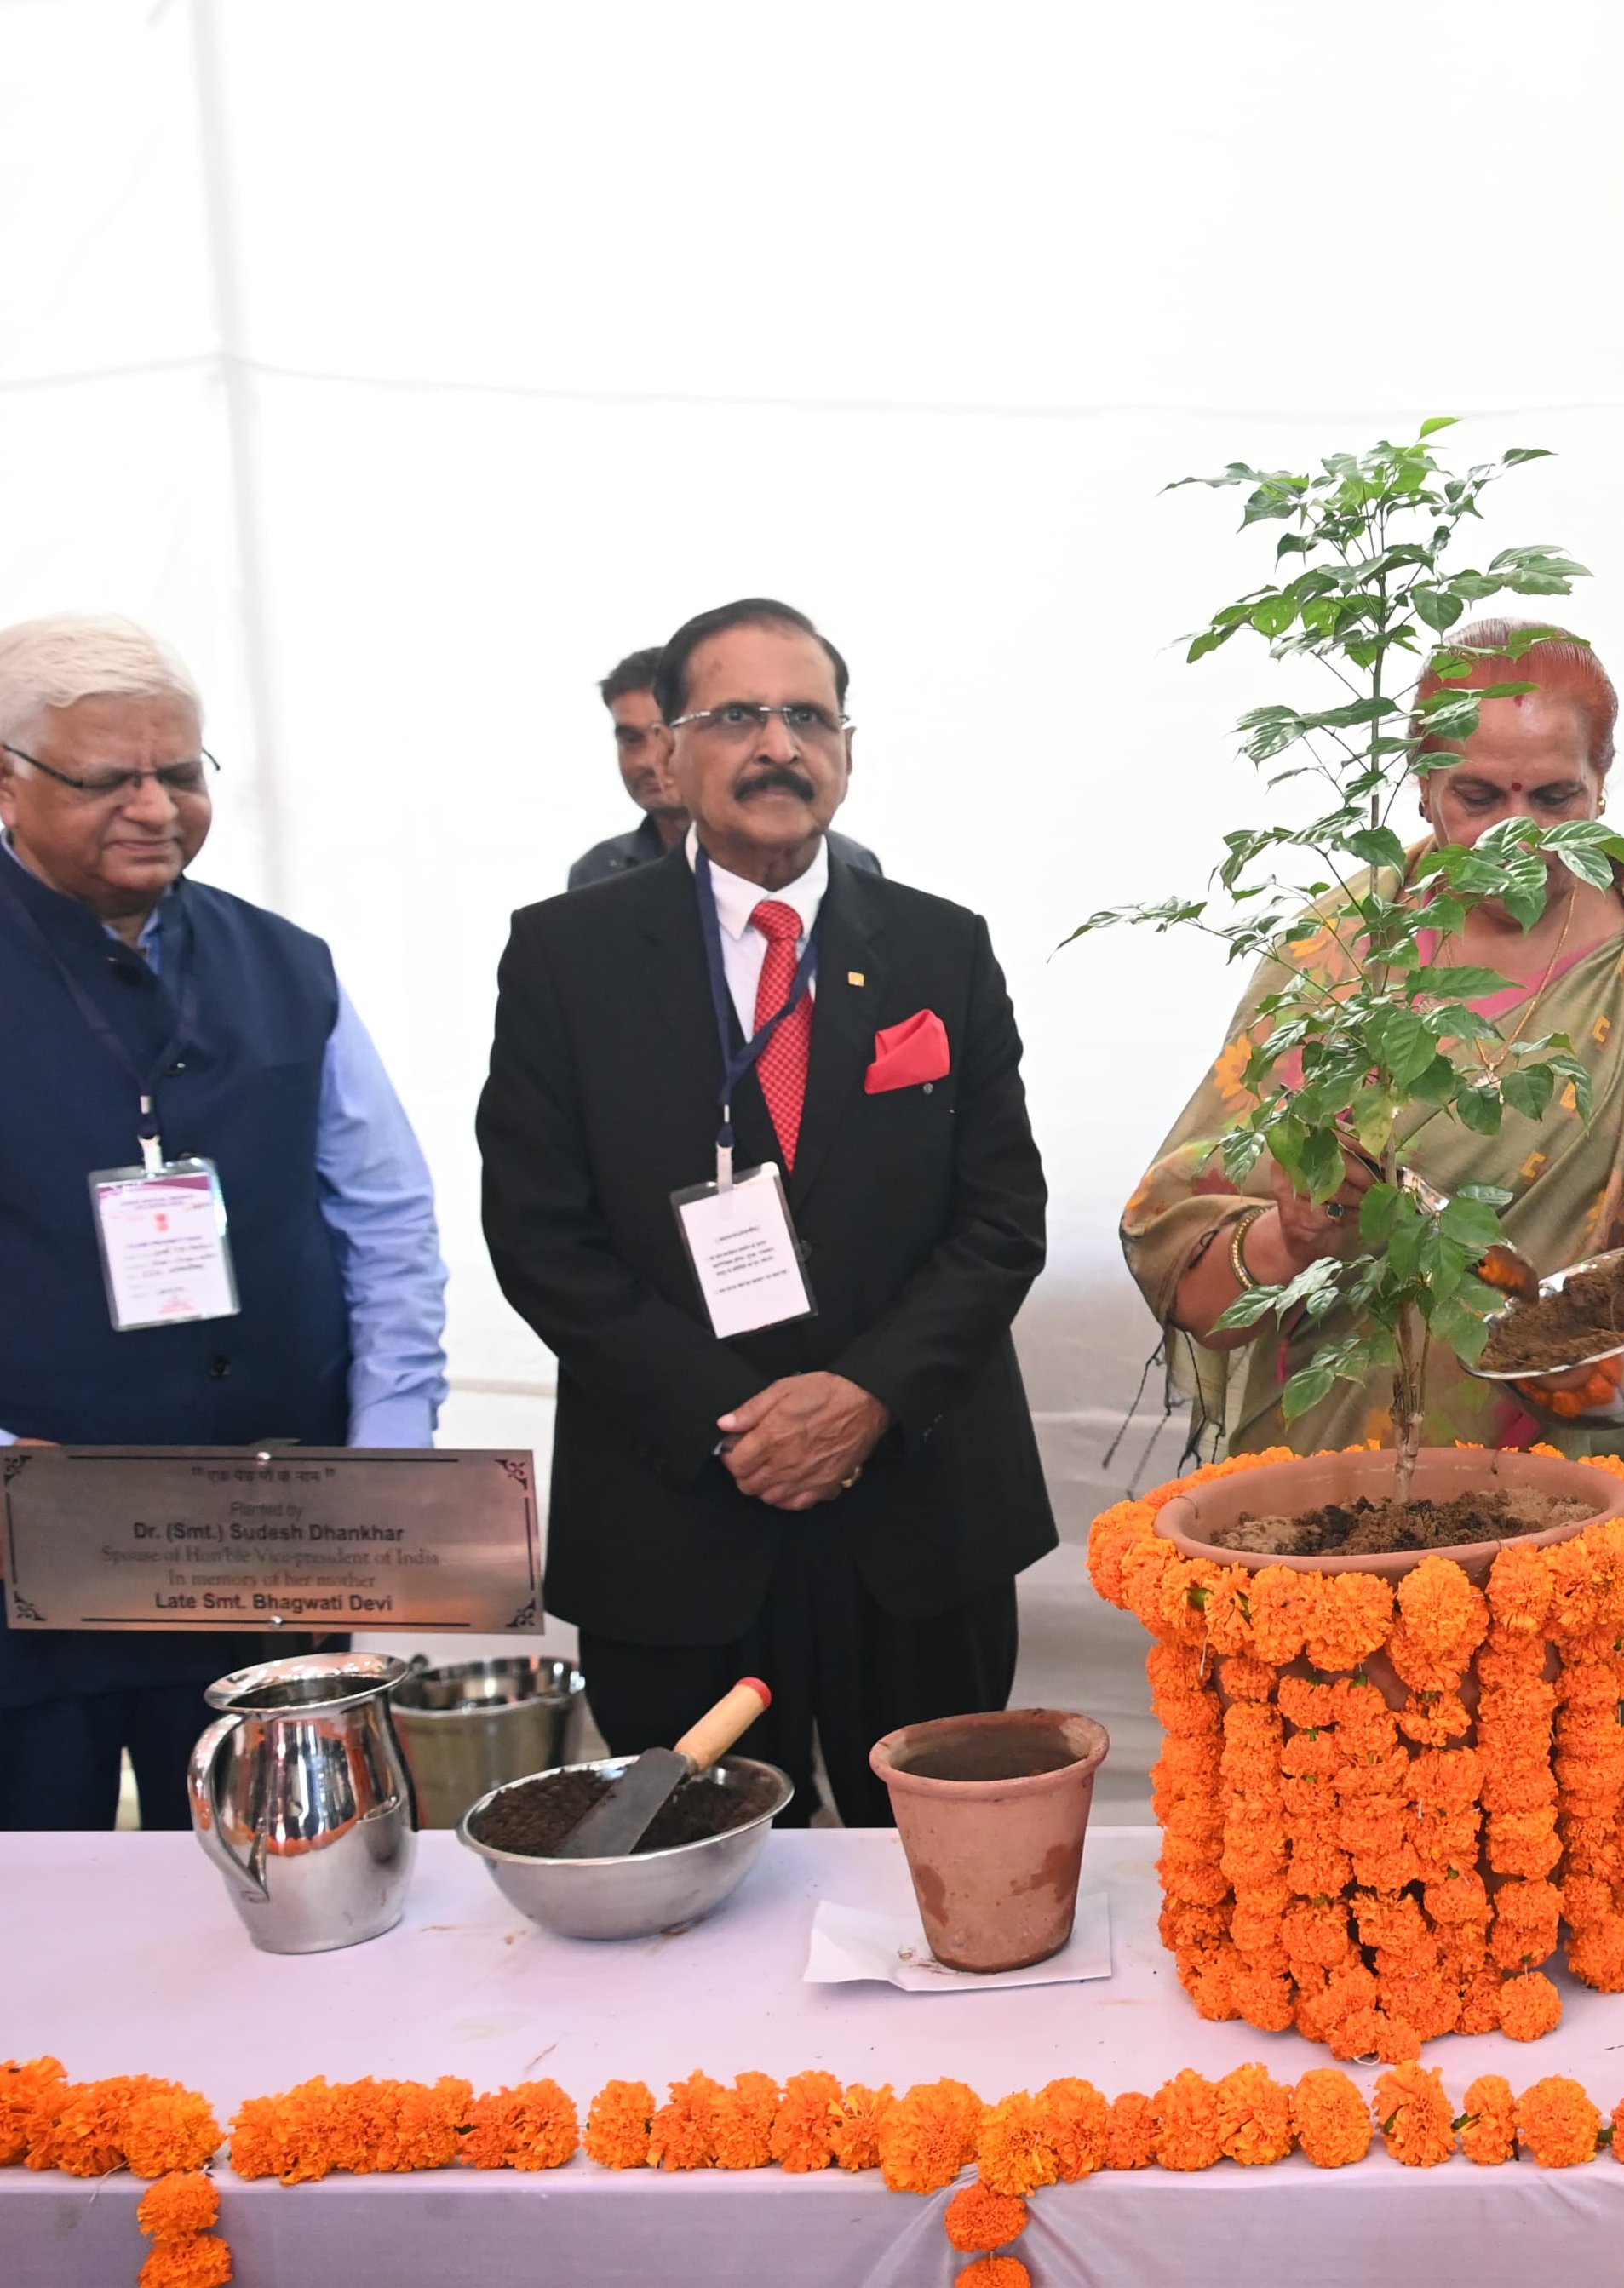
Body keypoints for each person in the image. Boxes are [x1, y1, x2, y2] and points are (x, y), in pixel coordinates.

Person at [1123, 622, 1624, 1821]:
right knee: (1371, 1811)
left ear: (1607, 784)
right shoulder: (1343, 961)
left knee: (1581, 1811)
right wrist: (1292, 1235)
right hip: (1362, 1477)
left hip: (1597, 1478)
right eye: (1476, 794)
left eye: (1555, 795)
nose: (1513, 833)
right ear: (1418, 783)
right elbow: (1176, 1247)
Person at [479, 597, 1052, 1826]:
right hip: (679, 1512)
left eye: (806, 716)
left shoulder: (941, 948)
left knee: (952, 1872)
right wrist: (731, 1417)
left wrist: (863, 1397)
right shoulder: (564, 956)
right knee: (699, 1900)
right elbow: (539, 1234)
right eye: (735, 715)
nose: (775, 744)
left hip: (916, 1508)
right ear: (665, 753)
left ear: (847, 748)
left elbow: (1002, 1214)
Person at [0, 613, 446, 1829]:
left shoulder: (286, 962)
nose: (155, 806)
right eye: (107, 779)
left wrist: (389, 1464)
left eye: (181, 773)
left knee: (292, 1886)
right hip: (32, 1558)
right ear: (7, 777)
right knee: (42, 1918)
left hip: (272, 1537)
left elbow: (387, 1218)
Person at [571, 645, 879, 891]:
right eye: (631, 739)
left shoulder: (847, 864)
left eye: (664, 735)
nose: (652, 760)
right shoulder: (598, 871)